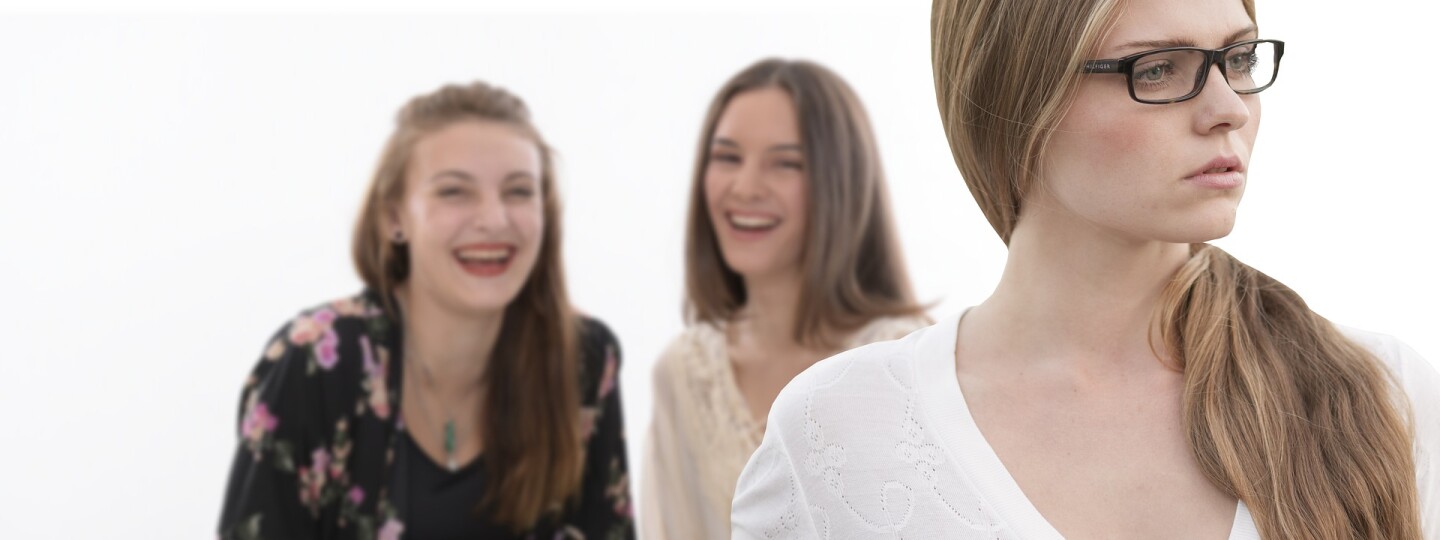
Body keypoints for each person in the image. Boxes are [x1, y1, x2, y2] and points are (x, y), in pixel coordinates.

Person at [731, 1, 1440, 538]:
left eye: (1239, 58)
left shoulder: (1381, 395)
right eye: (1157, 68)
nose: (1229, 109)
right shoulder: (837, 433)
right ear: (1016, 98)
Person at [218, 81, 633, 539]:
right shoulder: (317, 360)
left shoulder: (581, 359)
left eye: (518, 191)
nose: (494, 220)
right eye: (454, 192)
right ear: (394, 218)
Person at [641, 58, 930, 540]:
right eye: (727, 157)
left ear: (840, 182)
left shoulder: (905, 363)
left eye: (785, 163)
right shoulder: (685, 373)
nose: (745, 188)